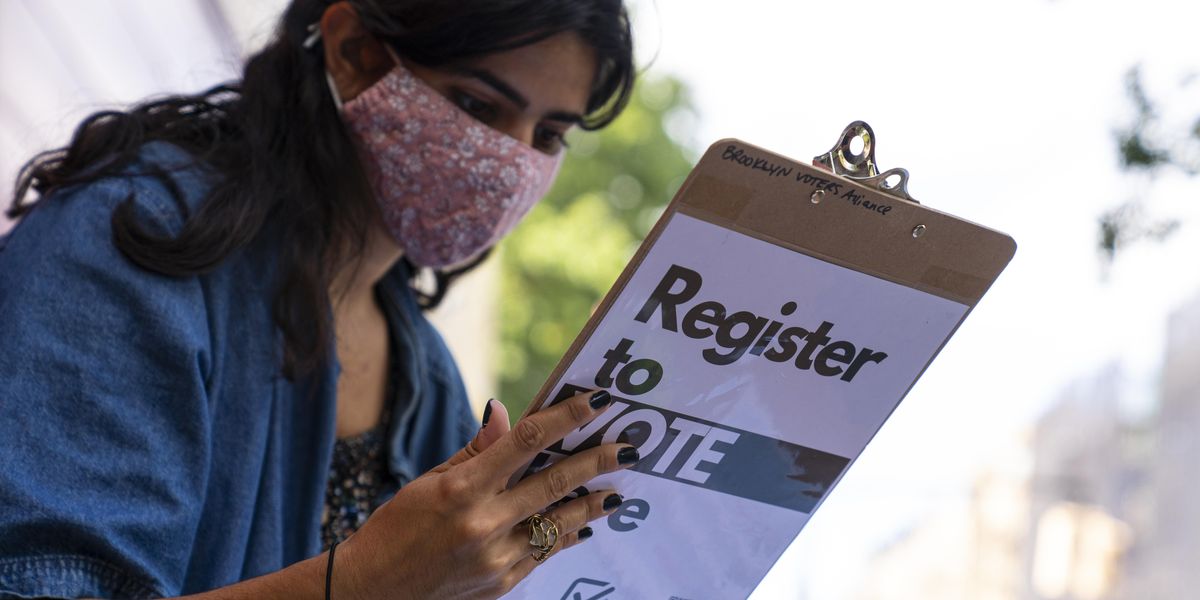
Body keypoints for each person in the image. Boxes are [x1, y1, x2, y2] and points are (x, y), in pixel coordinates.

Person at [0, 1, 640, 598]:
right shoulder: (135, 241)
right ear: (352, 49)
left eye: (550, 134)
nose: (513, 160)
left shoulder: (428, 378)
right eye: (478, 104)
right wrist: (364, 580)